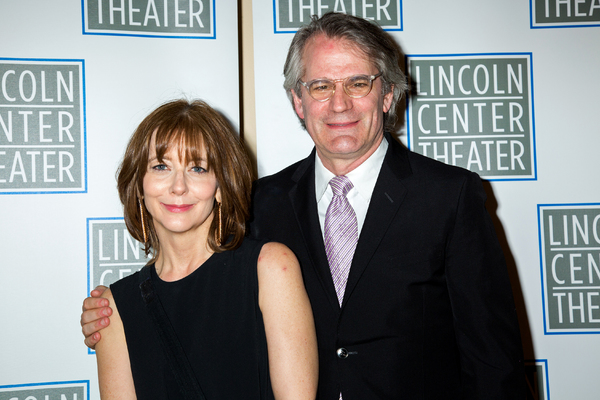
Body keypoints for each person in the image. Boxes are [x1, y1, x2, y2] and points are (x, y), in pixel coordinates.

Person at [82, 13, 525, 399]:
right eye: (320, 86)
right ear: (298, 100)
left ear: (387, 94)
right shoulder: (259, 202)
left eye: (358, 82)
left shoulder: (449, 196)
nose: (339, 103)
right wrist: (110, 312)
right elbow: (201, 293)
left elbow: (493, 360)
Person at [92, 99, 318, 400]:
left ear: (221, 185)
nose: (178, 186)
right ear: (139, 185)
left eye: (197, 168)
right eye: (161, 166)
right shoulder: (115, 307)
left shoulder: (270, 268)